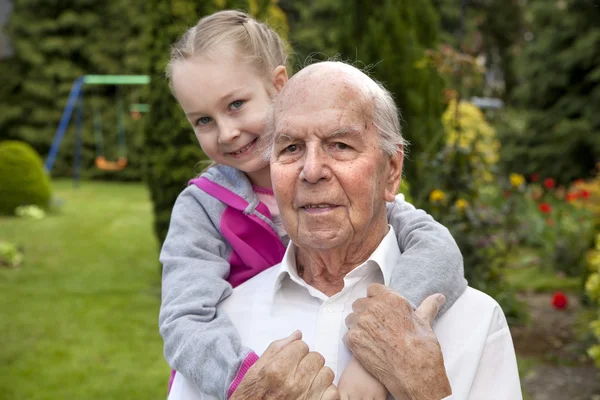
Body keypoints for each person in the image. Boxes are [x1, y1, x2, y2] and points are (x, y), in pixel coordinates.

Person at [168, 61, 522, 400]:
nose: (312, 170)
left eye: (340, 145)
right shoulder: (223, 330)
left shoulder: (474, 322)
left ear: (392, 170)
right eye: (290, 148)